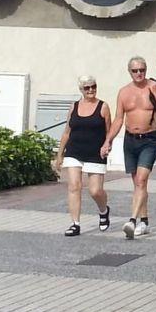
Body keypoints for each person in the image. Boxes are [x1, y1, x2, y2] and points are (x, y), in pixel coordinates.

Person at [103, 56, 156, 237]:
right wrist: (108, 140)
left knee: (141, 180)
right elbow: (118, 119)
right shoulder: (124, 92)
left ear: (146, 70)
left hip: (150, 138)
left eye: (142, 70)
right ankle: (144, 221)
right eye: (135, 71)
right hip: (130, 140)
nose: (139, 74)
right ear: (130, 72)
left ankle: (132, 221)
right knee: (138, 184)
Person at [56, 77, 113, 236]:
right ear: (81, 90)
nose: (91, 90)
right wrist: (60, 155)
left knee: (95, 191)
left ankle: (103, 210)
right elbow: (67, 132)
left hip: (95, 152)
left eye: (93, 86)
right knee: (74, 186)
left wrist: (107, 145)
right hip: (74, 151)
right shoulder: (74, 106)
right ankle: (75, 223)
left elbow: (109, 131)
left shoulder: (103, 106)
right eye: (87, 88)